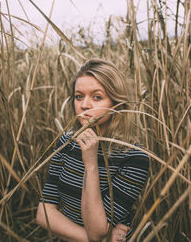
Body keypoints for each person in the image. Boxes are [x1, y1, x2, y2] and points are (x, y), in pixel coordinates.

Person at [36, 58, 149, 242]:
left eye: (97, 97)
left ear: (116, 102)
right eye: (79, 96)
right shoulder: (66, 143)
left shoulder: (134, 158)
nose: (85, 105)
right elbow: (43, 213)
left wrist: (90, 164)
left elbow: (96, 230)